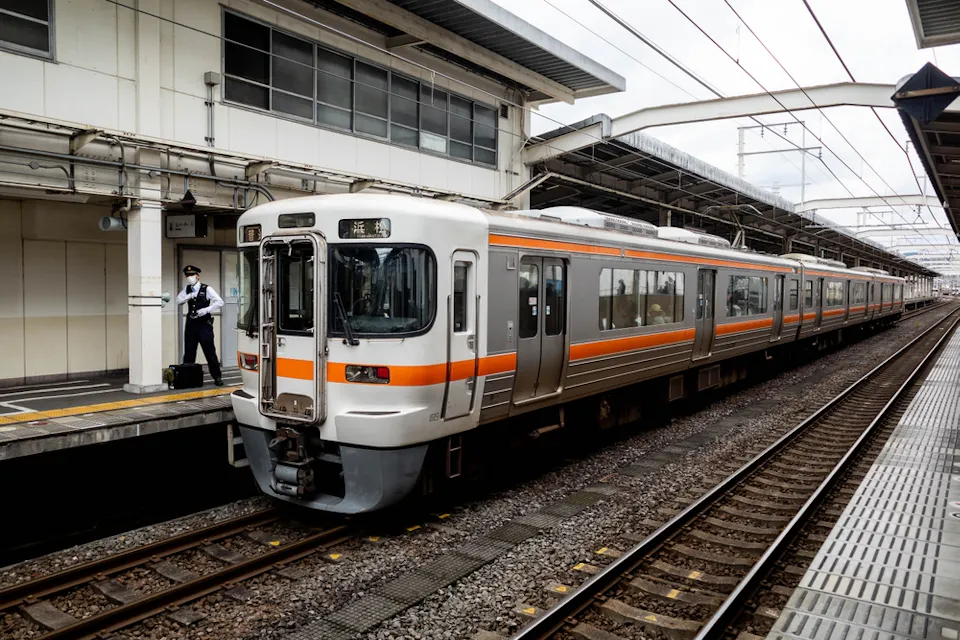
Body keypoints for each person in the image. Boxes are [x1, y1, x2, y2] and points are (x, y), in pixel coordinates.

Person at [176, 265, 224, 386]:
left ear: (198, 276)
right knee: (189, 351)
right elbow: (178, 301)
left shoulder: (206, 288)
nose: (189, 277)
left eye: (192, 275)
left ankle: (217, 377)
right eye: (187, 275)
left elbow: (220, 302)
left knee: (209, 351)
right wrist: (188, 296)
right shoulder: (187, 289)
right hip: (191, 324)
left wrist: (206, 310)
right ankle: (187, 379)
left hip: (204, 325)